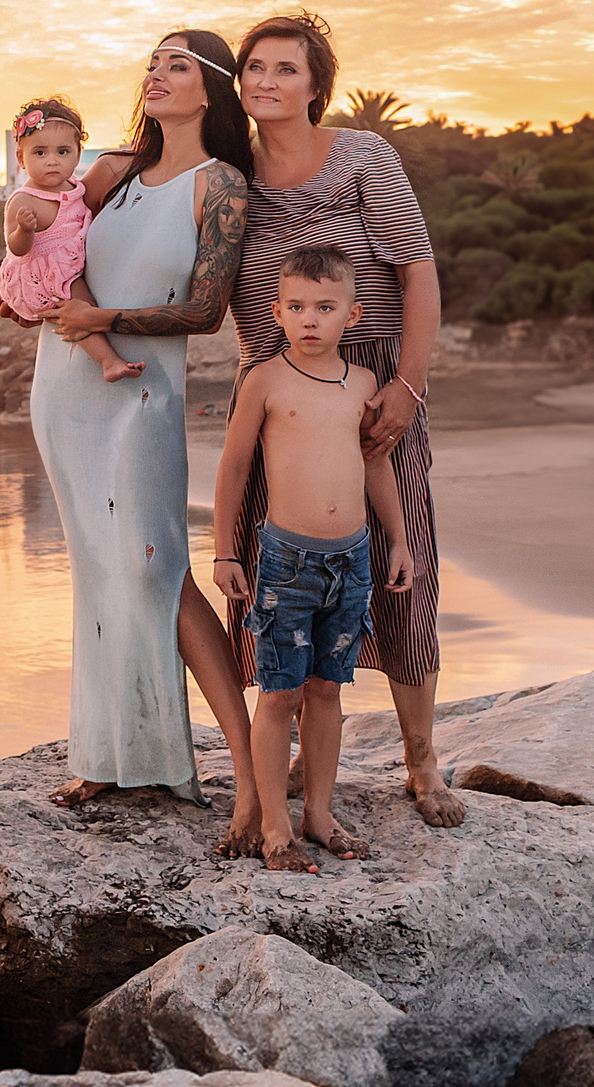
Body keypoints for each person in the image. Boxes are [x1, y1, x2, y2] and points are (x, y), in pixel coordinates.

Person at [6, 31, 263, 856]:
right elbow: (48, 244)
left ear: (211, 90)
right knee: (99, 568)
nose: (155, 73)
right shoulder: (108, 169)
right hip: (67, 387)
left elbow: (207, 311)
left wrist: (103, 319)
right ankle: (110, 755)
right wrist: (23, 287)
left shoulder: (219, 185)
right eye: (153, 62)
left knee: (156, 566)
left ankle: (252, 778)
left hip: (143, 389)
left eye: (176, 64)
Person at [225, 11, 464, 828]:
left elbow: (418, 273)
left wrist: (408, 385)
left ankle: (422, 759)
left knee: (405, 559)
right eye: (255, 66)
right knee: (272, 574)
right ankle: (285, 755)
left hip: (371, 387)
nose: (266, 81)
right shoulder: (230, 177)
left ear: (315, 84)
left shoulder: (364, 156)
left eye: (286, 68)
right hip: (275, 393)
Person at [213, 245, 413, 873]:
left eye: (324, 307)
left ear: (352, 315)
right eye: (296, 306)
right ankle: (274, 822)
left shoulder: (362, 384)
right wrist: (225, 551)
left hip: (351, 561)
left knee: (327, 689)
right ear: (276, 311)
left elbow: (375, 464)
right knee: (279, 693)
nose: (309, 319)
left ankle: (319, 813)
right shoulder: (265, 381)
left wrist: (400, 539)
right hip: (286, 562)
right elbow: (235, 467)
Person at [0, 97, 141, 383]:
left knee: (85, 302)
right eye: (39, 153)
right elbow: (17, 250)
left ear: (77, 155)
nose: (52, 161)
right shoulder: (25, 200)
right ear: (20, 158)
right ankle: (108, 361)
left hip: (66, 264)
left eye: (62, 151)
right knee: (81, 307)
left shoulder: (76, 187)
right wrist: (24, 231)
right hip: (42, 273)